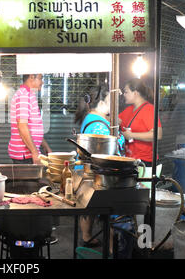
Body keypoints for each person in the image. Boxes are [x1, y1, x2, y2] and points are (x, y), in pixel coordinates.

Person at [74, 85, 125, 248]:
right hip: (95, 175)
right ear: (102, 103)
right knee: (111, 214)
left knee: (88, 209)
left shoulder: (91, 117)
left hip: (84, 173)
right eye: (111, 101)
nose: (114, 105)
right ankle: (112, 248)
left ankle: (87, 237)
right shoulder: (100, 126)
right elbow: (106, 156)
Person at [8, 74, 52, 164]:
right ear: (32, 77)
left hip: (29, 154)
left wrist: (46, 147)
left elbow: (32, 128)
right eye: (40, 78)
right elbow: (22, 126)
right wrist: (34, 152)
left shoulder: (29, 95)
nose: (42, 82)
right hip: (25, 155)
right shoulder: (24, 96)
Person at [119, 78, 162, 166]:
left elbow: (157, 134)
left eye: (126, 92)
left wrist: (131, 135)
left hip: (144, 161)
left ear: (135, 93)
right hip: (130, 158)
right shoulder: (129, 109)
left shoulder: (149, 109)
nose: (124, 95)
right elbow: (116, 120)